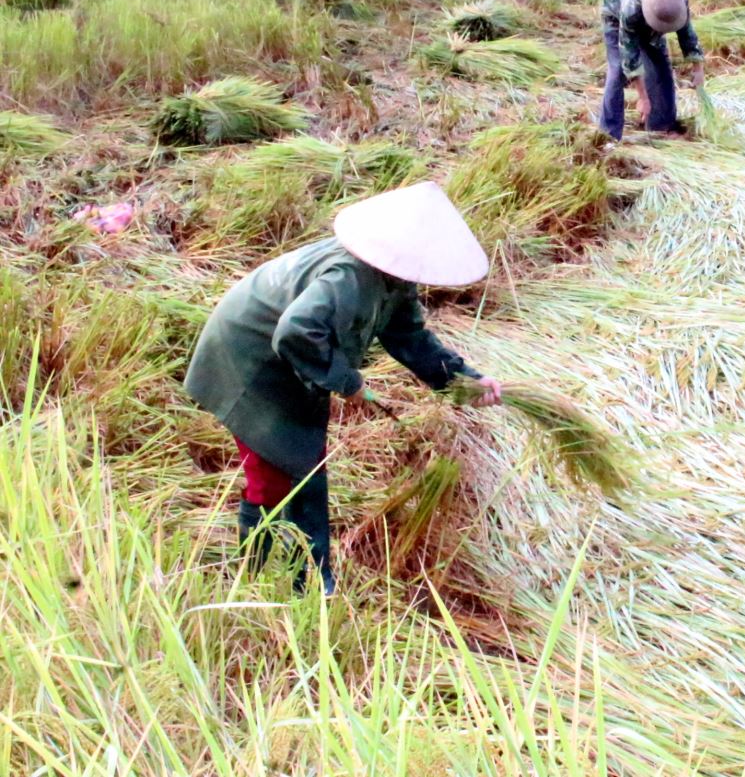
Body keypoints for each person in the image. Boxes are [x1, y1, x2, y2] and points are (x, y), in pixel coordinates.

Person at [183, 182, 504, 596]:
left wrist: (465, 381)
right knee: (282, 473)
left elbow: (410, 338)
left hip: (287, 360)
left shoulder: (395, 279)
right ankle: (259, 580)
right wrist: (347, 381)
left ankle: (309, 579)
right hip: (251, 361)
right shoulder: (349, 276)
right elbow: (296, 332)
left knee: (304, 470)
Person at [598, 0, 705, 140]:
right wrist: (643, 98)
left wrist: (698, 70)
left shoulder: (678, 0)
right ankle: (609, 134)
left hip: (653, 10)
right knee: (618, 70)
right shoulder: (630, 9)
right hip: (615, 14)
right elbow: (630, 58)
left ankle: (661, 127)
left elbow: (687, 34)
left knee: (660, 66)